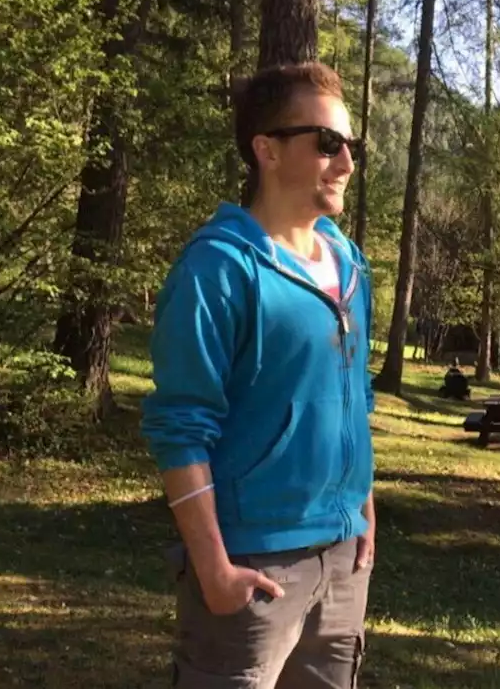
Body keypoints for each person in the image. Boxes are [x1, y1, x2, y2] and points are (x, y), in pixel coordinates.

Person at [140, 60, 376, 688]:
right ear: (266, 150)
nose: (346, 162)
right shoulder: (217, 269)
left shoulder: (350, 264)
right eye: (327, 144)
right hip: (253, 568)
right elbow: (180, 425)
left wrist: (364, 511)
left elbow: (356, 399)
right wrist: (213, 568)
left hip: (345, 562)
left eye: (352, 144)